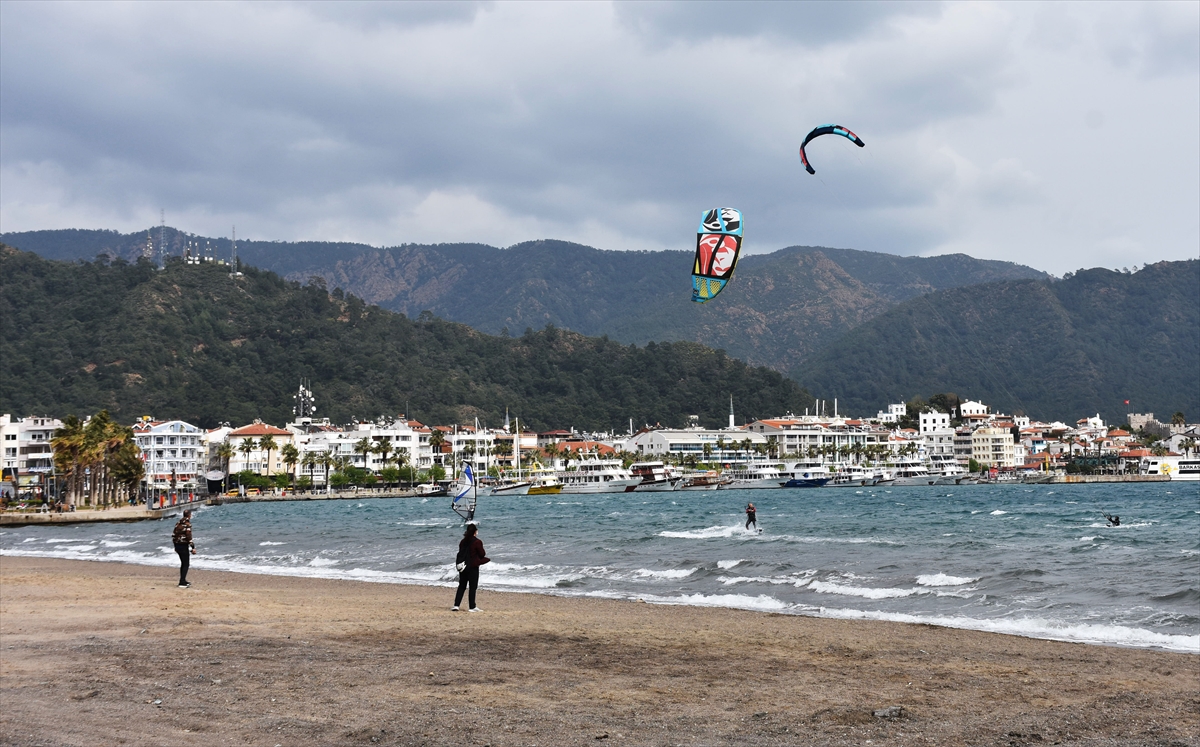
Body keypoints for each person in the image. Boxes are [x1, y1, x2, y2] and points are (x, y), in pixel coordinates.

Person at [452, 523, 490, 612]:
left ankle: (456, 605)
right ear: (475, 532)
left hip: (463, 567)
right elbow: (482, 554)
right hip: (473, 567)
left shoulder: (462, 541)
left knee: (461, 586)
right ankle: (472, 606)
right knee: (472, 587)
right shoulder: (477, 542)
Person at [172, 510, 196, 588]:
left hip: (177, 545)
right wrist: (193, 547)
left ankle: (183, 580)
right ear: (189, 515)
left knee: (183, 563)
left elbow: (174, 535)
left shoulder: (178, 523)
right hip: (183, 545)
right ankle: (182, 582)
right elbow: (189, 537)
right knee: (186, 564)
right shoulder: (187, 524)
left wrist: (175, 546)